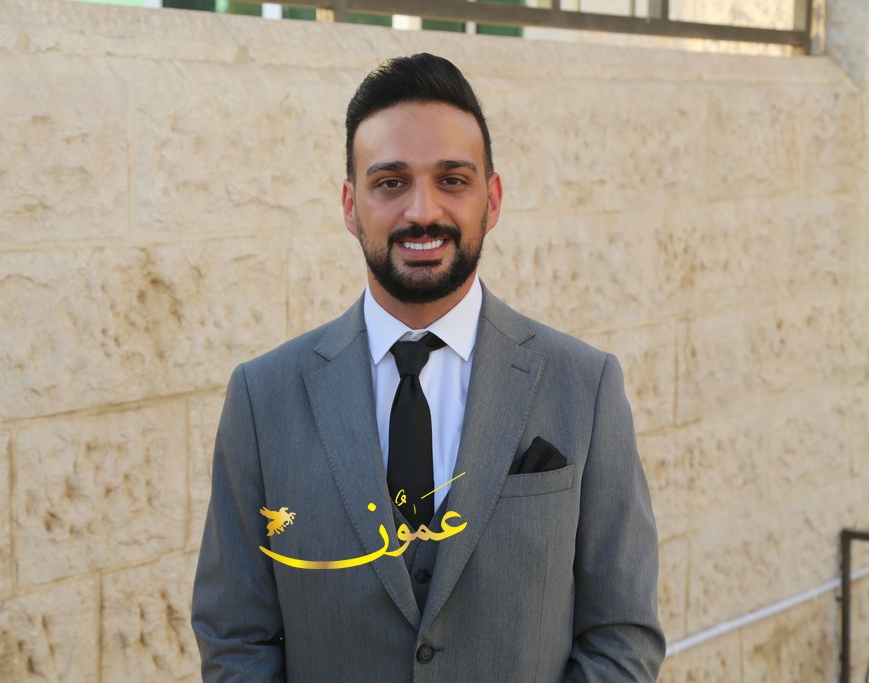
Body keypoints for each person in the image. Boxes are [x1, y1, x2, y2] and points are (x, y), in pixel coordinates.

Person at [191, 53, 664, 682]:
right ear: (350, 206)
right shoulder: (262, 398)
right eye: (391, 182)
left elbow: (622, 636)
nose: (422, 211)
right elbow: (234, 638)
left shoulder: (586, 386)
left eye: (452, 180)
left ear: (492, 200)